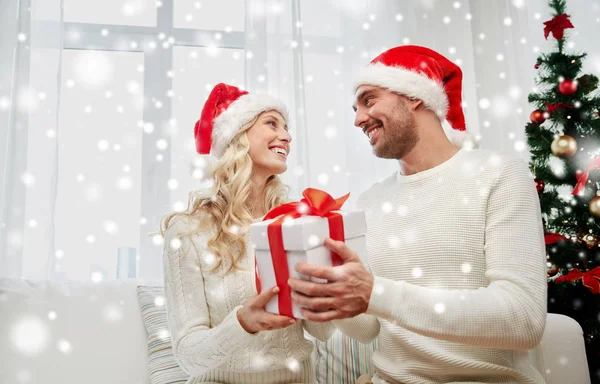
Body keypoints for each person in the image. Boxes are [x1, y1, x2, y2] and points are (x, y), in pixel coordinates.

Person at [288, 45, 548, 384]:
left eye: (369, 100)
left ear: (414, 96)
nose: (358, 119)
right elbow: (368, 328)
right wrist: (326, 289)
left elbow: (522, 319)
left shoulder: (499, 175)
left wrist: (375, 293)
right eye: (355, 108)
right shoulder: (371, 201)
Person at [161, 83, 333, 384]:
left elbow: (322, 331)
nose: (287, 136)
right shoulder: (189, 231)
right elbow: (188, 356)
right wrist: (243, 323)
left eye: (287, 127)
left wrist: (326, 293)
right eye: (271, 123)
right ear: (237, 137)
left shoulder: (296, 221)